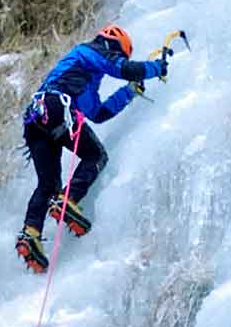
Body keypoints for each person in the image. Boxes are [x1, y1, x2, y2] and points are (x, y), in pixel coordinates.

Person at [17, 24, 168, 273]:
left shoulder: (84, 76)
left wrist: (129, 92)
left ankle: (30, 235)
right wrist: (155, 68)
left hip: (36, 119)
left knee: (47, 184)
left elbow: (98, 113)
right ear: (111, 44)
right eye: (118, 53)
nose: (117, 58)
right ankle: (68, 199)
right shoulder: (89, 51)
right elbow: (123, 68)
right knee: (96, 155)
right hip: (56, 107)